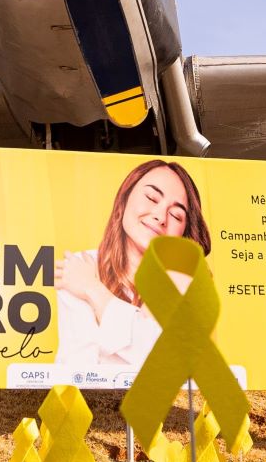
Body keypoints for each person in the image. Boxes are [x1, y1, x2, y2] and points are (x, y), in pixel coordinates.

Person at [52, 159, 210, 381]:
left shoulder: (186, 283)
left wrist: (93, 290)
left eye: (176, 215)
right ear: (124, 198)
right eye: (151, 198)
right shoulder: (82, 264)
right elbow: (78, 369)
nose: (160, 217)